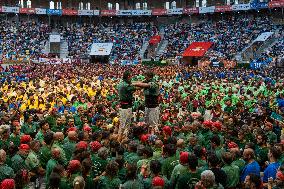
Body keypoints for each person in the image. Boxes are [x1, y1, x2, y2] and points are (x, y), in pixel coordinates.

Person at [117, 70, 136, 142]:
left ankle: (124, 140)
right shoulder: (125, 85)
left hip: (127, 106)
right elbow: (136, 88)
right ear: (128, 77)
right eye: (131, 76)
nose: (131, 78)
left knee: (127, 124)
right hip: (124, 107)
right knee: (123, 125)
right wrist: (146, 84)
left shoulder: (123, 83)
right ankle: (119, 143)